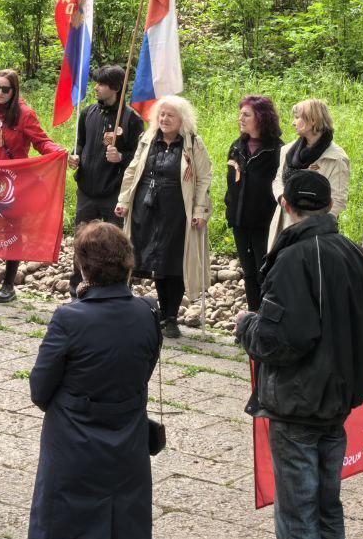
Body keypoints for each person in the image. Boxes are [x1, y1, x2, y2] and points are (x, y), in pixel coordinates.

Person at [235, 170, 363, 539]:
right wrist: (356, 385)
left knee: (298, 514)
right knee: (327, 509)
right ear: (328, 206)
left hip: (298, 406)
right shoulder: (355, 254)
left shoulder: (293, 258)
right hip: (336, 403)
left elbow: (282, 339)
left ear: (285, 206)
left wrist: (247, 326)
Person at [27, 223, 159, 539]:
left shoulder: (69, 319)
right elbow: (142, 371)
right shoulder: (147, 315)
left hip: (73, 445)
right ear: (127, 265)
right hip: (126, 444)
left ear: (84, 268)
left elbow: (40, 388)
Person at [115, 96, 211, 339]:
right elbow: (132, 170)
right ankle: (126, 314)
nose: (164, 119)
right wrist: (123, 200)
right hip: (145, 208)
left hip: (176, 210)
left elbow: (203, 179)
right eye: (162, 114)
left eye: (170, 115)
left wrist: (200, 211)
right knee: (142, 259)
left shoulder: (192, 143)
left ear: (182, 119)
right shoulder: (147, 139)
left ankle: (170, 317)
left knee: (172, 261)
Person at [0, 68, 66, 302]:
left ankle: (9, 285)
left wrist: (59, 152)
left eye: (4, 89)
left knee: (13, 230)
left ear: (14, 91)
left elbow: (42, 142)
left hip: (15, 183)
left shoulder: (25, 114)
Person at [67, 65, 143, 298]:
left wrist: (121, 157)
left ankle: (118, 293)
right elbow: (80, 143)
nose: (96, 88)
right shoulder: (87, 112)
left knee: (117, 245)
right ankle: (77, 289)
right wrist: (75, 156)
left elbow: (140, 157)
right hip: (87, 190)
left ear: (116, 88)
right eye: (96, 83)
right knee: (82, 241)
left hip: (115, 193)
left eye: (101, 84)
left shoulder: (131, 119)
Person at [224, 95, 283, 311]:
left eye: (246, 114)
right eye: (240, 113)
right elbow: (231, 184)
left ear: (261, 118)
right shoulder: (237, 146)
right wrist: (230, 206)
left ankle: (268, 320)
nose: (241, 118)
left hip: (265, 223)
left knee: (264, 272)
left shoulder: (278, 150)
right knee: (248, 272)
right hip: (240, 222)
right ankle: (253, 317)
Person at [269, 98, 349, 246]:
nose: (293, 122)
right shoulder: (287, 150)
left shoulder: (336, 158)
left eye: (297, 117)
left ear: (313, 120)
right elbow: (278, 180)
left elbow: (338, 200)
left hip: (316, 233)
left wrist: (308, 225)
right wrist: (282, 198)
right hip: (284, 223)